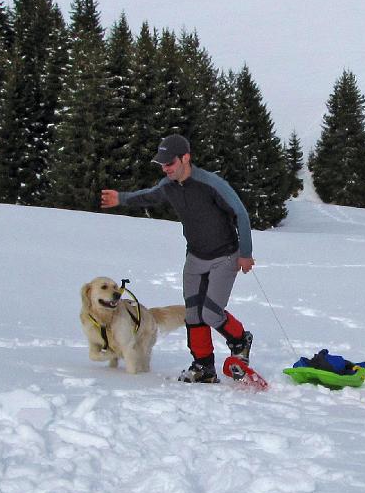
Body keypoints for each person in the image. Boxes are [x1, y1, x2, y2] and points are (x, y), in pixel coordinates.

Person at [100, 134, 254, 383]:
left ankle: (240, 340)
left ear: (186, 158)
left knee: (212, 314)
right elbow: (148, 195)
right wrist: (122, 198)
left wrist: (245, 253)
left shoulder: (211, 184)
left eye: (169, 163)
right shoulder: (169, 186)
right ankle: (203, 366)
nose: (166, 169)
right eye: (162, 164)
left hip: (226, 256)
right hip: (195, 257)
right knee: (192, 314)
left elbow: (241, 214)